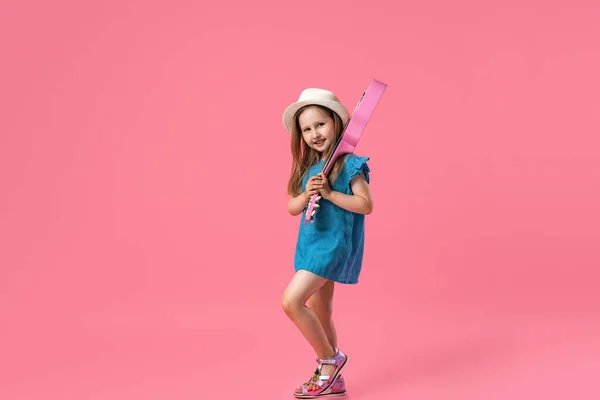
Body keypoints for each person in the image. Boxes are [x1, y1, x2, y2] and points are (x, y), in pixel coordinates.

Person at [281, 88, 374, 398]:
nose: (314, 133)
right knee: (321, 313)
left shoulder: (348, 165)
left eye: (320, 124)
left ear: (336, 123)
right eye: (307, 129)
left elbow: (365, 204)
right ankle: (333, 380)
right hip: (309, 246)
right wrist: (308, 192)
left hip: (333, 246)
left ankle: (329, 360)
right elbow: (292, 207)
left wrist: (332, 193)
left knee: (291, 301)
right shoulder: (309, 170)